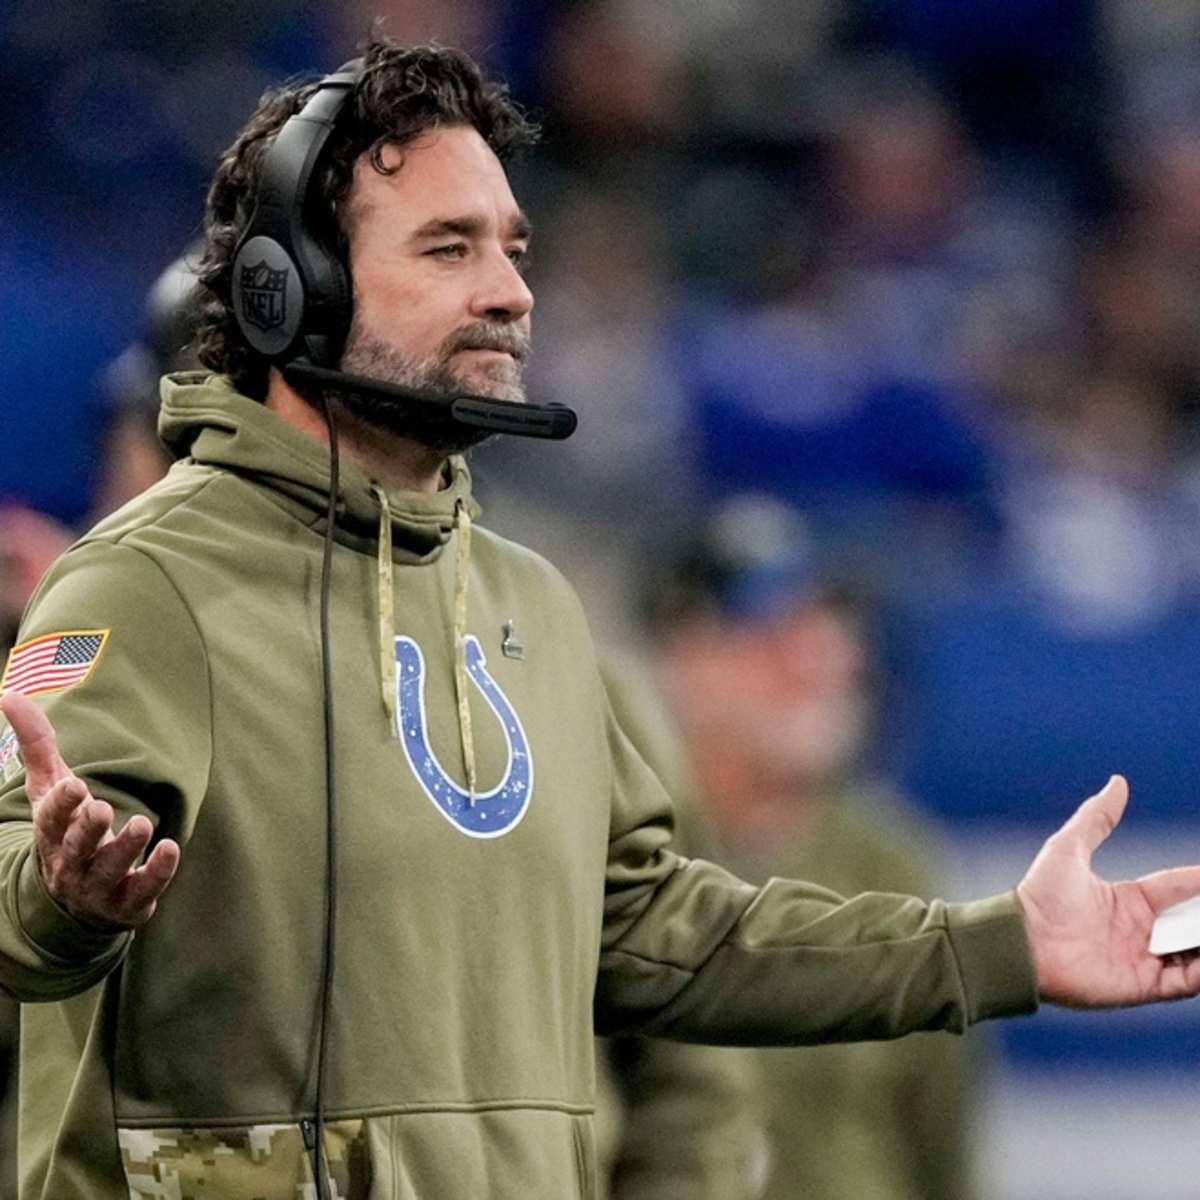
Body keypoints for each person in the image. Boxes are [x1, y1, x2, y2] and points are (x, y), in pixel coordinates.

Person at [1, 36, 1199, 1200]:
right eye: (450, 248)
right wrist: (63, 899)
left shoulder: (531, 605)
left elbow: (657, 931)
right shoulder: (146, 585)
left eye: (515, 248)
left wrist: (1000, 949)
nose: (512, 290)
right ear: (290, 289)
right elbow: (16, 876)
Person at [648, 495, 983, 1199]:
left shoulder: (891, 864)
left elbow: (941, 1144)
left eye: (830, 628)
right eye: (772, 634)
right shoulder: (618, 854)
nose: (819, 661)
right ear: (682, 655)